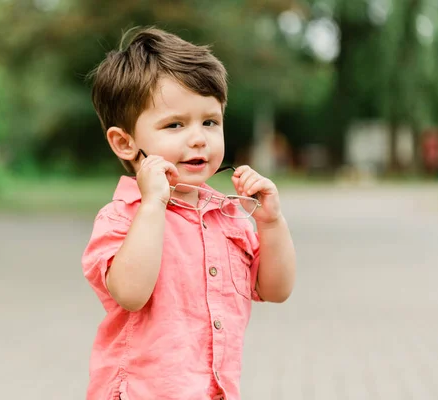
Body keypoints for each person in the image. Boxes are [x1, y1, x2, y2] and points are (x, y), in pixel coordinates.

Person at [82, 27, 296, 400]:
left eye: (210, 122)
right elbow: (131, 293)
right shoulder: (123, 217)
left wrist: (271, 222)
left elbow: (275, 290)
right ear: (125, 142)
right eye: (175, 125)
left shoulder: (228, 215)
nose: (198, 138)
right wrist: (153, 205)